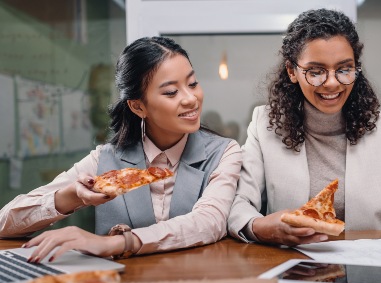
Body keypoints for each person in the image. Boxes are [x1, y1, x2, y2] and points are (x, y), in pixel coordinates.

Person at [228, 8, 381, 248]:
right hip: (294, 275)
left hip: (372, 280)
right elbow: (239, 205)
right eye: (315, 72)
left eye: (344, 69)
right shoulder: (264, 125)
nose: (332, 83)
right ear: (292, 71)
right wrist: (261, 227)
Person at [0, 37, 242, 262]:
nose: (191, 98)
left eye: (193, 83)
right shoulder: (106, 158)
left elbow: (209, 221)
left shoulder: (224, 152)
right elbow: (5, 223)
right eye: (171, 92)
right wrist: (72, 195)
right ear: (138, 106)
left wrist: (116, 243)